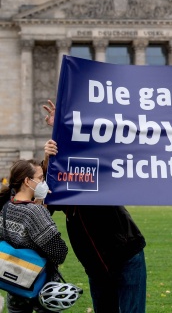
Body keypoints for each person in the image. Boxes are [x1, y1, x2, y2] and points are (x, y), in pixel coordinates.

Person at [42, 101, 147, 313]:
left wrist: (63, 129)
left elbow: (91, 146)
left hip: (126, 257)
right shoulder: (62, 193)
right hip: (96, 267)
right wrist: (48, 156)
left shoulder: (95, 174)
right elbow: (47, 198)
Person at [0, 158, 68, 313]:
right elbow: (59, 252)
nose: (43, 183)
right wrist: (42, 212)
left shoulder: (5, 206)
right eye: (40, 179)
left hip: (14, 283)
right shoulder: (34, 212)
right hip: (42, 286)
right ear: (26, 181)